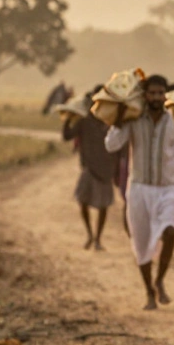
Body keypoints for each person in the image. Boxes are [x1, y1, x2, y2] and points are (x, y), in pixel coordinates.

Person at [104, 74, 174, 310]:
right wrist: (120, 118)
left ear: (166, 94)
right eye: (152, 93)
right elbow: (112, 145)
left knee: (171, 232)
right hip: (139, 188)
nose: (156, 97)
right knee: (141, 244)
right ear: (145, 95)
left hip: (169, 188)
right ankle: (149, 292)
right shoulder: (133, 119)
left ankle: (160, 279)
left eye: (160, 93)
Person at [62, 85, 120, 251]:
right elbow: (67, 136)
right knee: (84, 202)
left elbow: (119, 148)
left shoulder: (112, 122)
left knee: (102, 206)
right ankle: (91, 235)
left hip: (106, 168)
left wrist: (117, 171)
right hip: (89, 167)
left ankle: (97, 238)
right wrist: (69, 115)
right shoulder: (85, 121)